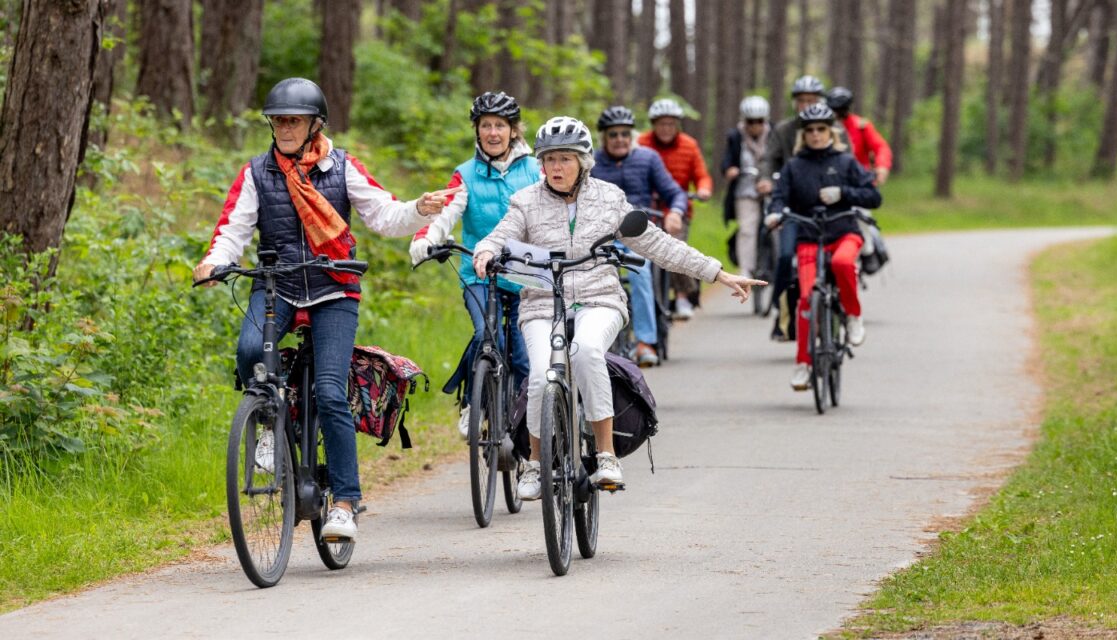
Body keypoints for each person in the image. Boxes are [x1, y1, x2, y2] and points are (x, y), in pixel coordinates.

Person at [194, 78, 439, 540]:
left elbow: (384, 214)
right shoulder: (255, 173)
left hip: (334, 288)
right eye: (278, 120)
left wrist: (419, 210)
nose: (285, 128)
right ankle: (269, 424)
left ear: (314, 125)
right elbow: (234, 228)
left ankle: (345, 502)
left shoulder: (341, 167)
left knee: (329, 392)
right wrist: (216, 262)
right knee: (250, 352)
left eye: (294, 120)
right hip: (277, 285)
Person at [470, 116, 764, 499]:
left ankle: (606, 455)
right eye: (549, 160)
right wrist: (486, 252)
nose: (555, 168)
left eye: (565, 159)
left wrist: (717, 273)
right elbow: (499, 235)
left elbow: (660, 245)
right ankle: (536, 463)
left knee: (588, 351)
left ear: (584, 161)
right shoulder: (525, 201)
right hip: (542, 304)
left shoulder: (609, 198)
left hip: (600, 300)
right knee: (542, 373)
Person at [409, 91, 538, 438]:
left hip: (526, 277)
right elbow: (446, 211)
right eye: (486, 126)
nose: (493, 133)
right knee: (486, 334)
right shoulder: (465, 174)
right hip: (480, 275)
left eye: (500, 126)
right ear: (477, 130)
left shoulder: (536, 169)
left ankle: (527, 428)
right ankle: (472, 401)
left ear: (514, 130)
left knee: (525, 358)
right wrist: (426, 241)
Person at [765, 103, 881, 391]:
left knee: (843, 264)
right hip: (809, 236)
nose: (816, 135)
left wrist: (844, 193)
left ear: (830, 131)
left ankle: (853, 316)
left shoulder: (845, 162)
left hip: (844, 232)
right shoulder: (794, 166)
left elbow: (873, 196)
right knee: (805, 299)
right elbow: (780, 196)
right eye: (810, 130)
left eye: (821, 129)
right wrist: (775, 212)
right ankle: (803, 364)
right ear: (803, 135)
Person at [590, 105, 690, 367]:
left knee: (640, 270)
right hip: (604, 234)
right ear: (604, 138)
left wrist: (675, 212)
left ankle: (645, 341)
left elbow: (674, 193)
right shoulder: (592, 164)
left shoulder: (648, 158)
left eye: (625, 133)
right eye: (613, 134)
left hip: (640, 230)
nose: (620, 139)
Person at [757, 75, 853, 342]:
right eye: (801, 101)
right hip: (794, 208)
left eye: (811, 100)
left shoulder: (837, 130)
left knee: (844, 258)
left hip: (833, 210)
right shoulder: (784, 130)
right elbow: (768, 159)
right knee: (786, 257)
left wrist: (849, 191)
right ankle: (782, 310)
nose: (805, 105)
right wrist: (765, 180)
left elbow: (851, 165)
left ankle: (843, 309)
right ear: (794, 103)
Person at [637, 98, 713, 321]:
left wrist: (703, 190)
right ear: (653, 124)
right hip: (647, 208)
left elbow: (702, 175)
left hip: (677, 209)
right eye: (661, 124)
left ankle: (682, 296)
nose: (666, 129)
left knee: (675, 246)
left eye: (671, 124)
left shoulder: (689, 145)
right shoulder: (641, 143)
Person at [721, 95, 772, 280]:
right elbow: (726, 161)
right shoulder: (735, 136)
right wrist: (730, 170)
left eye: (759, 121)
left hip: (770, 189)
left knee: (778, 224)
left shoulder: (774, 134)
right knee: (747, 229)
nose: (755, 126)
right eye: (751, 121)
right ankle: (746, 270)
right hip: (746, 190)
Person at [825, 86, 893, 186]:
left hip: (858, 179)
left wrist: (882, 166)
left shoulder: (860, 126)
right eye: (833, 110)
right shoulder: (823, 127)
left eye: (840, 110)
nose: (836, 115)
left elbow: (880, 147)